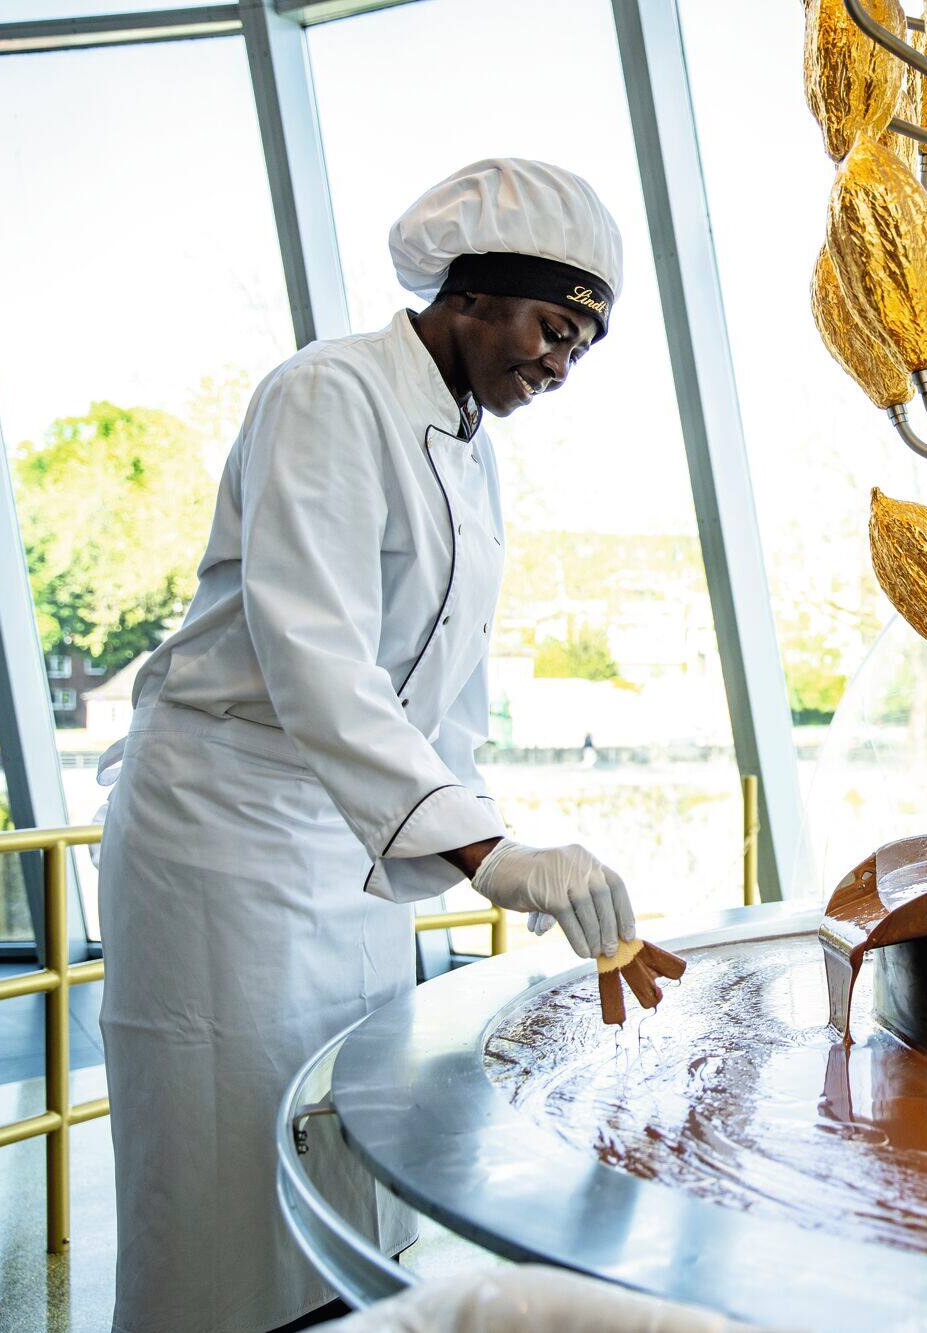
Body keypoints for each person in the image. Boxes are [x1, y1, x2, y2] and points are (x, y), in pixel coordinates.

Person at [95, 159, 638, 1332]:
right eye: (552, 328)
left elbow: (443, 702)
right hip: (224, 838)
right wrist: (484, 852)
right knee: (223, 1183)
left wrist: (505, 847)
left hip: (344, 855)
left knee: (342, 1153)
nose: (558, 362)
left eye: (580, 348)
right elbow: (316, 662)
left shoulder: (468, 443)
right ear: (472, 295)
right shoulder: (327, 392)